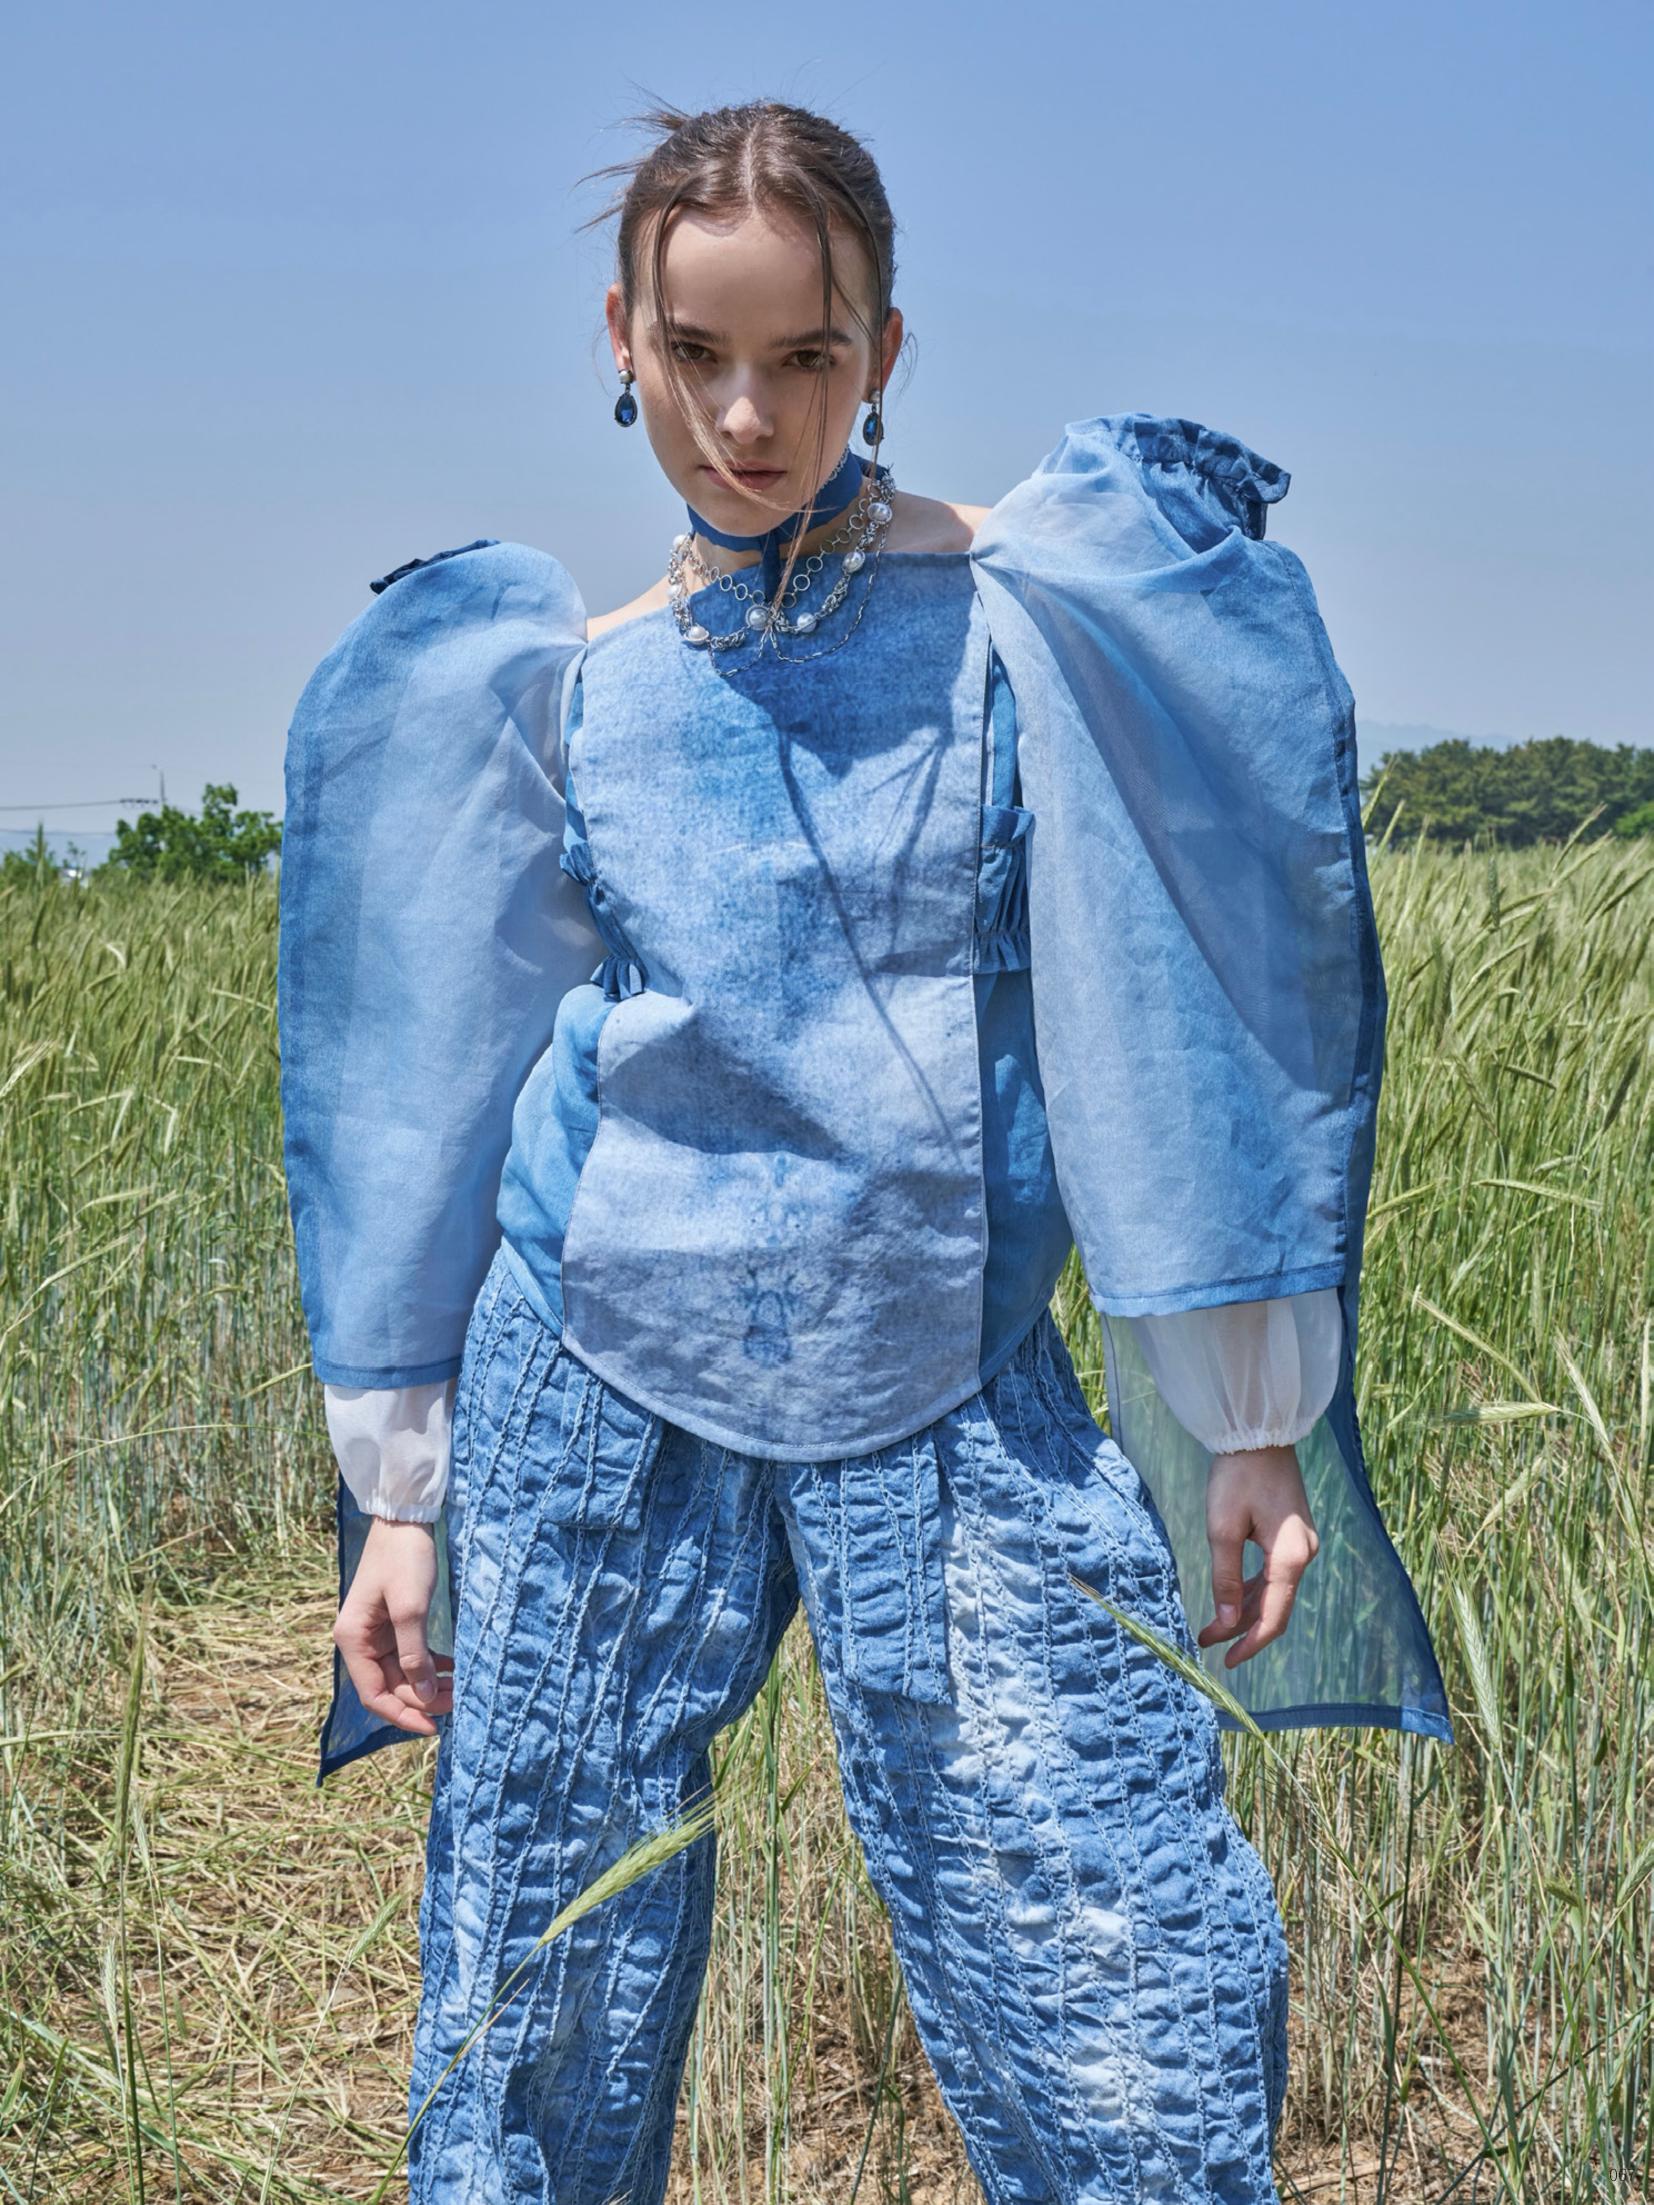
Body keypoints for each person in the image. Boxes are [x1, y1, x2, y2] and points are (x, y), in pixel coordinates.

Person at [277, 97, 1453, 2205]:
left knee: (1112, 1969)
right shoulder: (568, 683)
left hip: (945, 1377)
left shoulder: (1027, 622)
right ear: (620, 340)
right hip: (594, 1374)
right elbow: (426, 1087)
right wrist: (402, 1498)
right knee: (534, 1981)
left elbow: (1181, 997)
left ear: (882, 349)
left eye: (803, 356)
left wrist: (1247, 1413)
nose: (746, 415)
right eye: (695, 353)